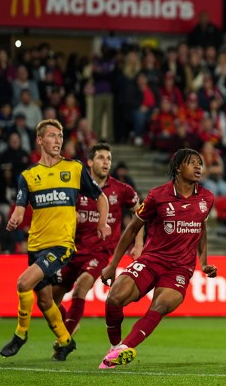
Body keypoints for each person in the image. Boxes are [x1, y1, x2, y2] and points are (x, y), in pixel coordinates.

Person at [0, 119, 110, 361]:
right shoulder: (28, 176)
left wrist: (102, 223)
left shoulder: (74, 169)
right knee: (45, 299)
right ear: (40, 140)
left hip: (61, 245)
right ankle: (65, 341)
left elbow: (101, 198)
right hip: (35, 246)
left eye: (60, 136)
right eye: (52, 136)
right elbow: (19, 209)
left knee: (23, 283)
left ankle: (20, 335)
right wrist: (15, 219)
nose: (58, 140)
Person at [99, 148, 216, 368]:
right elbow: (132, 229)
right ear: (179, 167)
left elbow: (201, 228)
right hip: (152, 260)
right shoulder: (157, 195)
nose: (198, 166)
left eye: (200, 163)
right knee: (115, 297)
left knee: (161, 304)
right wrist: (113, 264)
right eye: (192, 163)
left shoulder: (207, 198)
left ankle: (125, 348)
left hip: (180, 269)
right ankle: (115, 347)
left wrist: (204, 262)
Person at [52, 142, 141, 337]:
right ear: (90, 162)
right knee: (48, 300)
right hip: (72, 250)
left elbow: (140, 212)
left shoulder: (121, 189)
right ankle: (70, 323)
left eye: (108, 158)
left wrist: (139, 244)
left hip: (100, 252)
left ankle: (64, 339)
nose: (106, 162)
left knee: (81, 288)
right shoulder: (75, 187)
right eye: (101, 157)